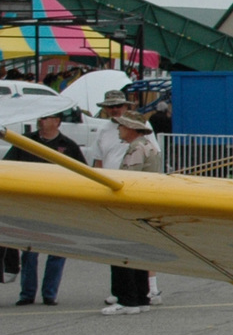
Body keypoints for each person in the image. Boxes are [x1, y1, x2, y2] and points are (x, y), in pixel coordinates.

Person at [5, 110, 83, 305]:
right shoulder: (26, 142)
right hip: (30, 206)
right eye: (40, 117)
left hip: (58, 206)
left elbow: (82, 173)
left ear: (57, 121)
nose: (41, 120)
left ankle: (49, 294)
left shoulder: (68, 146)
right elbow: (7, 166)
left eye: (46, 117)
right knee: (29, 251)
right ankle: (27, 294)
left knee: (57, 252)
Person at [102, 116, 164, 314]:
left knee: (122, 252)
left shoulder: (137, 148)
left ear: (131, 128)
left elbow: (128, 179)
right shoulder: (148, 145)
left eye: (121, 126)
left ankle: (127, 300)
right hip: (143, 207)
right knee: (138, 252)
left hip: (131, 208)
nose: (118, 129)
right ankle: (141, 296)